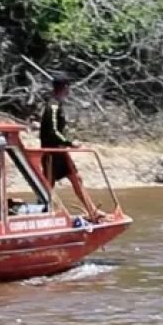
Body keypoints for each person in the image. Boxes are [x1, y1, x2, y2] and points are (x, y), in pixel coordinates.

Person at [39, 75, 100, 218]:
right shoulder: (52, 106)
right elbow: (52, 131)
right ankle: (43, 214)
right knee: (48, 185)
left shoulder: (58, 105)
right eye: (68, 88)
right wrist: (69, 143)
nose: (69, 91)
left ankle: (93, 211)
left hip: (60, 151)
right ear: (64, 88)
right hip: (52, 152)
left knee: (76, 178)